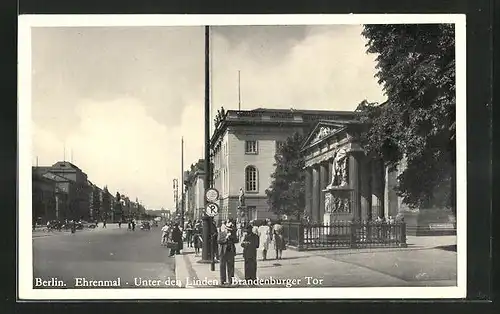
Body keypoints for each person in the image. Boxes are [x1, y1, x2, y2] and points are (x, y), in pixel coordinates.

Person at [218, 221, 237, 286]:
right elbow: (219, 241)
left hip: (230, 252)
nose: (229, 230)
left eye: (230, 229)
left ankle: (230, 281)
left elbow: (236, 240)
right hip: (223, 252)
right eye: (227, 229)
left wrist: (231, 236)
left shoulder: (232, 234)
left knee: (231, 266)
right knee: (222, 266)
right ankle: (222, 280)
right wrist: (226, 238)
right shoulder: (221, 233)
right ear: (225, 228)